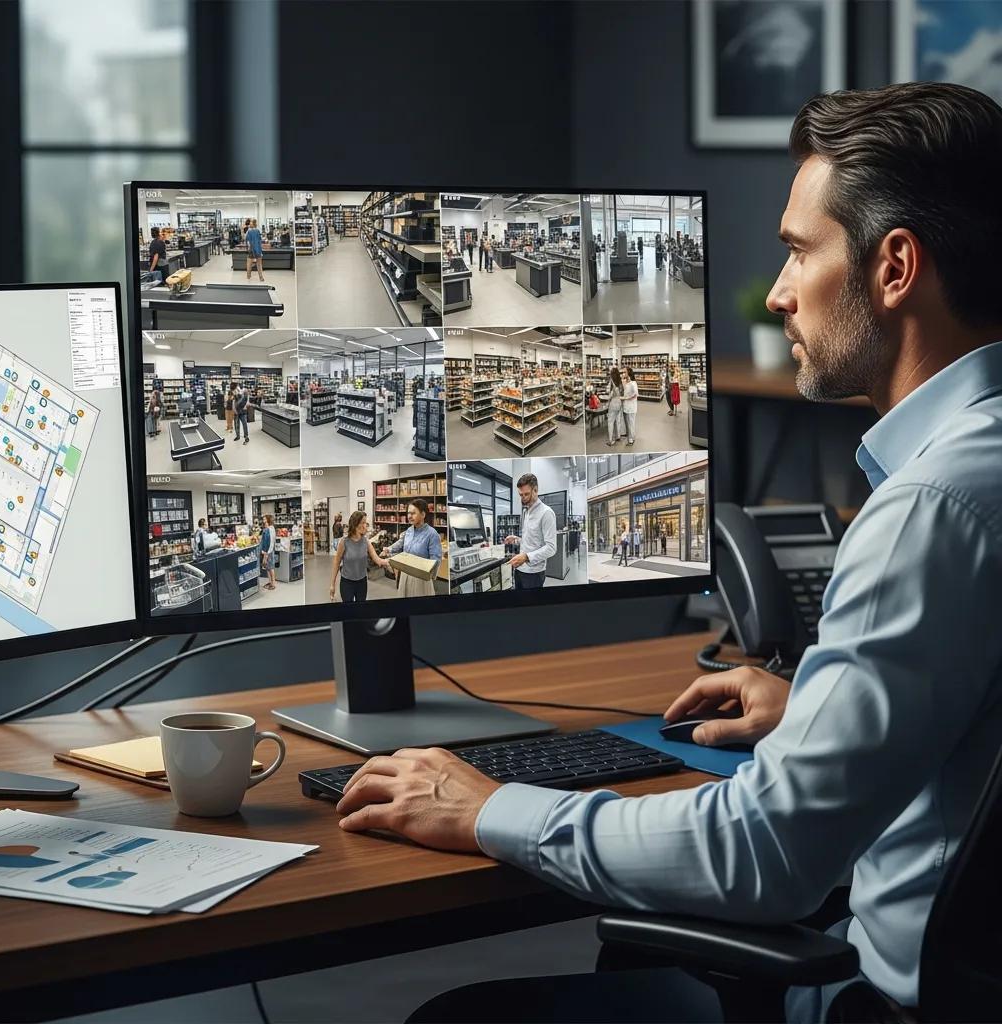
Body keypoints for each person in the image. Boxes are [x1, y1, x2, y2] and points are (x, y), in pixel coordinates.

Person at [330, 83, 1002, 1022]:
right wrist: (819, 711)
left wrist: (487, 808)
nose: (774, 294)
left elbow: (760, 855)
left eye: (799, 252)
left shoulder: (930, 505)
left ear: (894, 268)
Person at [502, 474, 557, 590]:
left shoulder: (546, 513)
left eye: (526, 494)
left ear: (535, 490)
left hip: (534, 573)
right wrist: (516, 538)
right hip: (520, 569)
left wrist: (526, 557)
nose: (523, 498)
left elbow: (551, 548)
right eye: (520, 495)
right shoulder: (526, 512)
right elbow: (533, 540)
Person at [380, 499, 442, 598]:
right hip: (405, 574)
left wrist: (430, 575)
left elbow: (436, 558)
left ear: (423, 514)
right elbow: (400, 543)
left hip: (421, 578)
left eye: (413, 513)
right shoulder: (409, 530)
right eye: (408, 513)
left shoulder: (432, 534)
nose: (409, 516)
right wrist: (388, 549)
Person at [329, 511, 389, 603]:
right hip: (347, 582)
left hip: (362, 582)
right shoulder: (344, 542)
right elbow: (336, 563)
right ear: (355, 524)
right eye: (363, 523)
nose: (366, 526)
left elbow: (378, 560)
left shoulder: (366, 542)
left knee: (360, 611)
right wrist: (332, 585)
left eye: (366, 523)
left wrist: (391, 561)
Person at [604, 367, 624, 447]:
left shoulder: (612, 382)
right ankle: (618, 436)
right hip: (620, 402)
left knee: (610, 421)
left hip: (613, 402)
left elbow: (610, 394)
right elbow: (622, 393)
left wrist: (607, 399)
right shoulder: (620, 382)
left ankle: (610, 440)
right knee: (618, 420)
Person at [621, 366, 639, 446]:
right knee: (628, 423)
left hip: (631, 407)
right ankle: (630, 436)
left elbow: (635, 395)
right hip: (626, 406)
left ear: (629, 373)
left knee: (631, 423)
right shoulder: (626, 382)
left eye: (624, 372)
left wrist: (626, 398)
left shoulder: (633, 383)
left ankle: (631, 440)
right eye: (623, 372)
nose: (623, 374)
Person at [259, 514, 277, 591]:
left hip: (268, 551)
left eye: (265, 519)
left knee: (270, 567)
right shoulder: (268, 528)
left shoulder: (269, 529)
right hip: (267, 551)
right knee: (267, 567)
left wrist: (266, 553)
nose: (263, 520)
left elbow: (270, 542)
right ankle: (270, 582)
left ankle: (273, 584)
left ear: (268, 520)